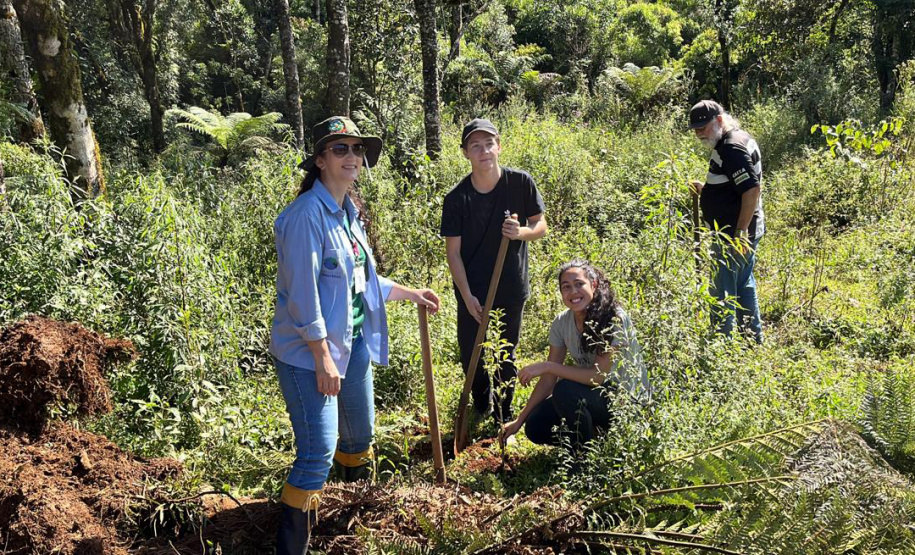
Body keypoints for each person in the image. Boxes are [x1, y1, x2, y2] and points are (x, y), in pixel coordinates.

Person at [270, 116, 440, 554]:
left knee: (358, 438)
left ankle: (348, 525)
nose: (352, 157)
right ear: (321, 160)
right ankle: (293, 548)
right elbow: (303, 298)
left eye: (357, 149)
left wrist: (408, 292)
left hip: (353, 345)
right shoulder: (306, 216)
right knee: (317, 454)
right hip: (311, 355)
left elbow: (361, 280)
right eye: (341, 149)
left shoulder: (348, 212)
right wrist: (323, 357)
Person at [440, 118, 547, 429]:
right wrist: (466, 295)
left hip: (510, 285)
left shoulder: (520, 183)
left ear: (499, 147)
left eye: (489, 143)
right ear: (465, 153)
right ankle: (481, 401)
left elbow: (540, 225)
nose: (483, 150)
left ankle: (504, 411)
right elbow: (453, 253)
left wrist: (522, 233)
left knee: (506, 353)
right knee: (470, 354)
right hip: (472, 289)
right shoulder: (457, 198)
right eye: (475, 145)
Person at [501, 260, 650, 451]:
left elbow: (597, 377)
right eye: (566, 287)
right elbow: (548, 381)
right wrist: (518, 421)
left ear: (593, 285)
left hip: (625, 402)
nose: (573, 292)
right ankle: (595, 437)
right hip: (594, 396)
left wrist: (548, 366)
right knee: (536, 426)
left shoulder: (613, 318)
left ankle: (582, 454)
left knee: (565, 390)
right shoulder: (562, 323)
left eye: (579, 284)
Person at [688, 100, 765, 344]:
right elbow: (734, 184)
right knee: (743, 284)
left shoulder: (731, 148)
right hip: (742, 230)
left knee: (721, 291)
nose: (700, 133)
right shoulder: (737, 139)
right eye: (696, 129)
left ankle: (719, 346)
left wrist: (739, 232)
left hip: (733, 235)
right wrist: (707, 190)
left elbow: (751, 190)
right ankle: (752, 340)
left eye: (704, 127)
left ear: (719, 120)